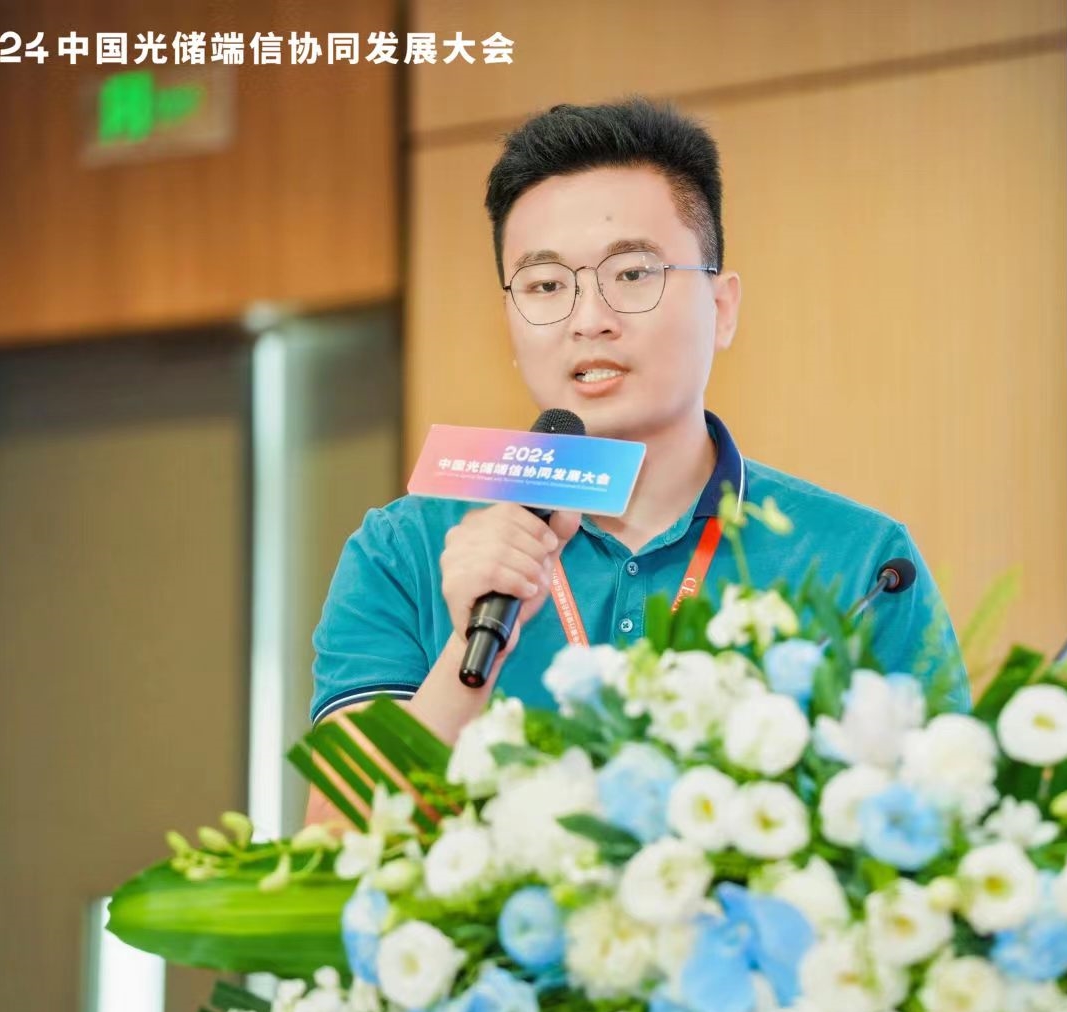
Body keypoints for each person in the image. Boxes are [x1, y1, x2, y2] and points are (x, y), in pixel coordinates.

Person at [305, 98, 967, 825]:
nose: (589, 319)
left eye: (632, 274)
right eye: (546, 286)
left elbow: (949, 828)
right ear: (510, 323)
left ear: (722, 307)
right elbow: (332, 840)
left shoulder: (863, 562)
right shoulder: (405, 550)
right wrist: (469, 648)